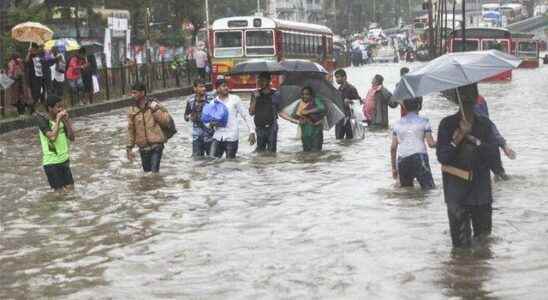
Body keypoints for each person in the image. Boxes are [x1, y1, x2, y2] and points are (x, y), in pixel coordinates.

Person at [436, 83, 501, 248]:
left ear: (476, 98)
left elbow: (494, 160)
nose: (468, 101)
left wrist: (475, 140)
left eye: (470, 97)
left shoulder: (485, 125)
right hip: (456, 196)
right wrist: (459, 137)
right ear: (458, 100)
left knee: (484, 246)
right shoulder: (447, 124)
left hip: (481, 194)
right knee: (460, 249)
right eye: (464, 98)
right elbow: (443, 157)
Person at [390, 97, 436, 190]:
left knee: (407, 192)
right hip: (419, 158)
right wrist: (445, 141)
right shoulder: (424, 121)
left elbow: (393, 148)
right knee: (429, 189)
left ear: (405, 107)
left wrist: (394, 169)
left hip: (402, 159)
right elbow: (431, 144)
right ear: (419, 106)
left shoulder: (397, 124)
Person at [126, 82, 172, 173]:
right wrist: (129, 148)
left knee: (154, 173)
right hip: (143, 148)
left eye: (135, 93)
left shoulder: (154, 104)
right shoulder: (132, 110)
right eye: (132, 93)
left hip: (156, 145)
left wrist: (155, 110)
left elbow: (166, 121)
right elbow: (131, 130)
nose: (132, 95)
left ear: (142, 93)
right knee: (147, 174)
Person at [473, 85, 516, 180]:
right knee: (499, 175)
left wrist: (504, 145)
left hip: (483, 145)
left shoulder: (476, 102)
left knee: (497, 176)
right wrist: (504, 146)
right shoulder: (479, 99)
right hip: (488, 143)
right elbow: (488, 123)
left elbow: (486, 122)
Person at [35, 95, 76, 193]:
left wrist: (67, 121)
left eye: (62, 107)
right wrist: (58, 120)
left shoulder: (63, 121)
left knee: (71, 190)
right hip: (51, 163)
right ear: (50, 108)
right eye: (58, 107)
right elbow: (52, 137)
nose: (61, 109)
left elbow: (72, 138)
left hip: (64, 161)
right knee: (59, 194)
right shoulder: (43, 121)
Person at [210, 78, 256, 159]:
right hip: (217, 136)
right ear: (217, 89)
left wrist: (252, 132)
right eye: (223, 86)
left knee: (230, 164)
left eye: (226, 86)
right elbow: (207, 120)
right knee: (212, 161)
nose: (226, 88)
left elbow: (245, 116)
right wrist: (211, 124)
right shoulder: (213, 102)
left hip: (232, 137)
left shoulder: (235, 99)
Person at [281, 86, 326, 152]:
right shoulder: (299, 103)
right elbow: (294, 116)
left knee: (316, 153)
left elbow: (322, 108)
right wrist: (299, 120)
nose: (304, 96)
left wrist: (308, 111)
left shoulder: (315, 100)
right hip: (305, 131)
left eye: (307, 94)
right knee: (306, 152)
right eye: (302, 94)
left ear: (311, 95)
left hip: (315, 131)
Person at [249, 72, 282, 153]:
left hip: (272, 127)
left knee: (272, 152)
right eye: (259, 80)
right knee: (260, 151)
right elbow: (251, 112)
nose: (260, 82)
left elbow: (280, 110)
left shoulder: (275, 94)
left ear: (269, 81)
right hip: (259, 127)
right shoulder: (255, 94)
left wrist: (293, 120)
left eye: (263, 80)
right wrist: (255, 99)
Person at [184, 79, 214, 157]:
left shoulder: (211, 99)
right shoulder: (190, 100)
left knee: (212, 162)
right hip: (196, 137)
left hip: (210, 136)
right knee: (197, 164)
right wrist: (190, 117)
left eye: (204, 86)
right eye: (200, 87)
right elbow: (186, 115)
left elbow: (218, 114)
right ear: (195, 88)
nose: (203, 88)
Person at [334, 69, 361, 140]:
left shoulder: (351, 88)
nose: (336, 79)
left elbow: (359, 102)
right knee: (339, 139)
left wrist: (350, 101)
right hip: (340, 117)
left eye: (338, 77)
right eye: (336, 77)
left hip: (349, 118)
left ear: (344, 77)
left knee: (350, 139)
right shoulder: (338, 89)